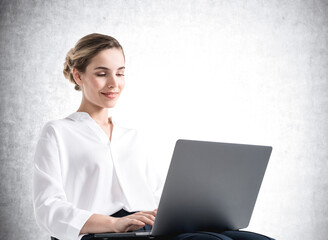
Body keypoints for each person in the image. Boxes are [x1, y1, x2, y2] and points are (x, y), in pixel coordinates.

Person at [33, 33, 275, 240]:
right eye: (101, 73)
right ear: (78, 76)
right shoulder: (58, 132)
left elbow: (160, 194)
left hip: (147, 229)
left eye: (120, 73)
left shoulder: (132, 137)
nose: (113, 83)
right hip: (103, 233)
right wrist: (114, 224)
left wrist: (192, 211)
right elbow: (47, 209)